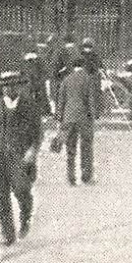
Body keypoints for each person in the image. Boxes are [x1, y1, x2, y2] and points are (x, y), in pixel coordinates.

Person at [0, 70, 42, 246]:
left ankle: (26, 214)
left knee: (21, 190)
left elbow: (37, 134)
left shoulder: (30, 107)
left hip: (20, 159)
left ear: (19, 87)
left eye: (13, 86)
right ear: (2, 88)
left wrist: (32, 151)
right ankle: (8, 233)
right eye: (6, 86)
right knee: (1, 196)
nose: (9, 89)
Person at [53, 47, 102, 185]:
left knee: (70, 149)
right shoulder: (87, 79)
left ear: (73, 66)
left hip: (68, 117)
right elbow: (90, 100)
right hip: (83, 118)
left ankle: (71, 177)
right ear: (83, 65)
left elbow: (61, 101)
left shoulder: (66, 80)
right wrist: (93, 116)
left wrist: (59, 118)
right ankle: (86, 177)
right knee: (86, 147)